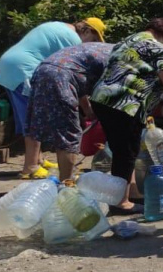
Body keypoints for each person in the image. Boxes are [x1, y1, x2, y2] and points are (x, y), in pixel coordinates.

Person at [0, 19, 106, 177]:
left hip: (10, 67)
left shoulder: (59, 26)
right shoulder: (72, 39)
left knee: (30, 116)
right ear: (87, 31)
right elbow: (70, 74)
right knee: (34, 118)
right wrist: (88, 109)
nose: (92, 45)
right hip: (23, 69)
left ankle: (38, 161)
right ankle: (31, 166)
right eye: (94, 40)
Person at [89, 19, 163, 214]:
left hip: (101, 97)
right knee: (126, 152)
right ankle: (121, 202)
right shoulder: (160, 49)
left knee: (121, 149)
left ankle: (128, 193)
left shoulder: (126, 41)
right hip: (125, 103)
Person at [26, 42, 115, 181]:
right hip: (60, 77)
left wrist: (87, 108)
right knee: (68, 134)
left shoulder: (107, 49)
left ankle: (62, 178)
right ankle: (66, 184)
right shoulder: (122, 59)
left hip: (43, 71)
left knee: (50, 127)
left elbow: (78, 74)